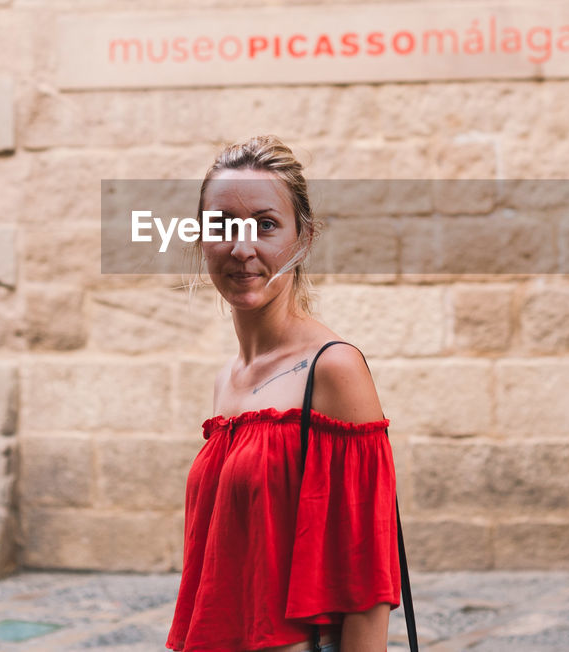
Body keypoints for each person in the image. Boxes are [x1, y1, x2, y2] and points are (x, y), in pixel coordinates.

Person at [166, 136, 403, 652]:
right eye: (222, 226)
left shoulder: (334, 370)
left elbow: (366, 589)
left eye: (265, 226)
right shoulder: (227, 379)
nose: (241, 248)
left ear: (305, 237)